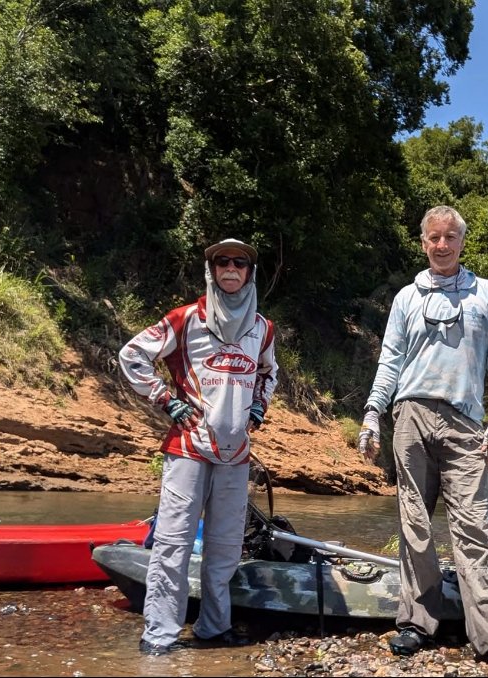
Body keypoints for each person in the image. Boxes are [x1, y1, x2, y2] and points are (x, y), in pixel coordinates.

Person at [358, 205, 488, 665]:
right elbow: (390, 360)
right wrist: (372, 413)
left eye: (450, 237)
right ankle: (416, 624)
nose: (442, 245)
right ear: (423, 242)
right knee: (414, 525)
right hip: (410, 417)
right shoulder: (406, 297)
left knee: (475, 528)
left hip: (465, 422)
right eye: (434, 237)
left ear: (462, 242)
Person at [119, 238, 277, 656]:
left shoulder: (262, 328)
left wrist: (258, 408)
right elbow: (132, 354)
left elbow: (268, 373)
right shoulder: (185, 318)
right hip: (188, 448)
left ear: (249, 273)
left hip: (236, 455)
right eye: (222, 261)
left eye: (239, 262)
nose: (231, 268)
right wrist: (165, 400)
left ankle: (214, 627)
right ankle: (160, 635)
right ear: (211, 270)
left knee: (225, 547)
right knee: (172, 544)